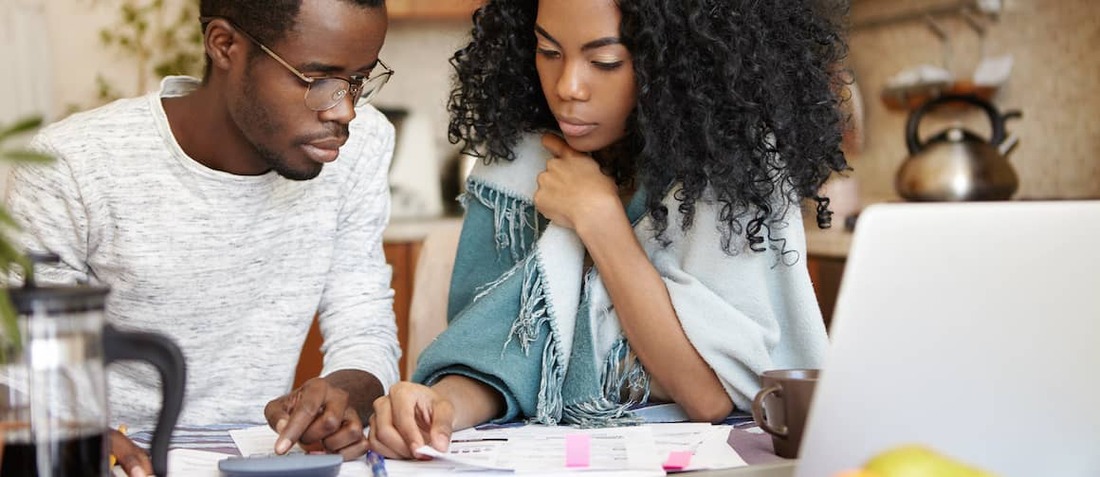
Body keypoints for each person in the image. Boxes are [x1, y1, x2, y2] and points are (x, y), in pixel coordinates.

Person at [367, 0, 850, 460]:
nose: (567, 86)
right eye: (548, 52)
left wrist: (600, 221)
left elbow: (706, 398)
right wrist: (444, 406)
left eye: (604, 61)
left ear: (674, 59)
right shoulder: (516, 167)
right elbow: (497, 357)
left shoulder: (733, 167)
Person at [4, 0, 400, 474]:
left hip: (264, 461)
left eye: (358, 81)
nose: (347, 112)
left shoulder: (363, 147)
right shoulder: (73, 164)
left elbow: (365, 323)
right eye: (320, 81)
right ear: (224, 45)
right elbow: (20, 369)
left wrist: (340, 396)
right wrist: (79, 436)